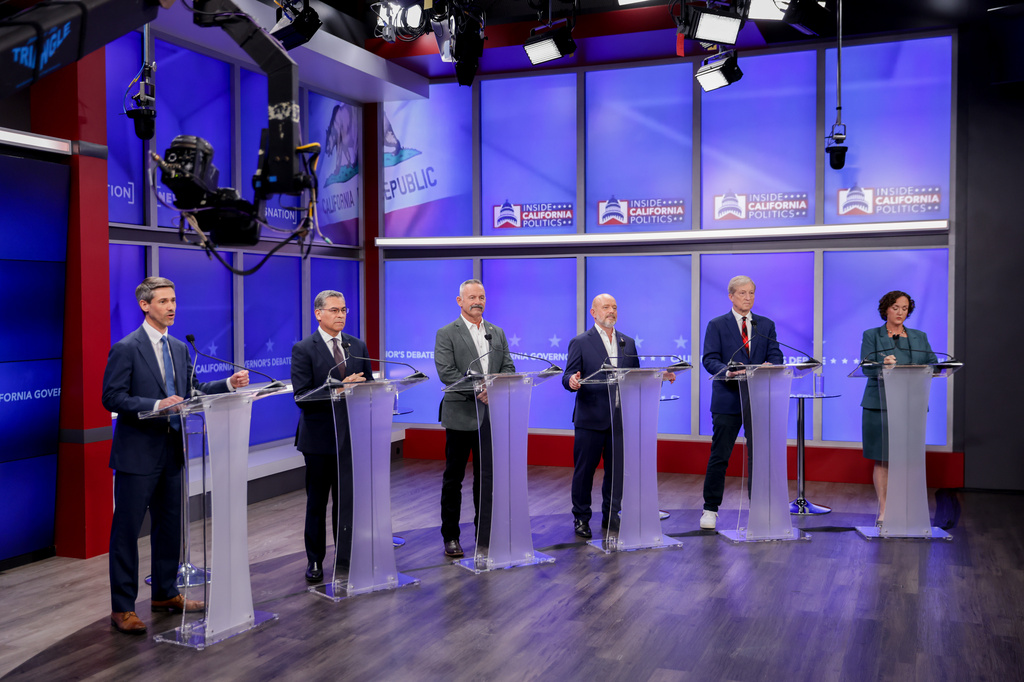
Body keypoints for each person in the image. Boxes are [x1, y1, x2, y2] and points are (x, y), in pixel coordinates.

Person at [102, 277, 249, 635]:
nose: (171, 307)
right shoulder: (126, 348)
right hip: (137, 455)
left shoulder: (179, 348)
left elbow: (191, 391)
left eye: (174, 301)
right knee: (127, 532)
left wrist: (227, 385)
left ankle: (165, 594)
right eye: (163, 301)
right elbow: (112, 397)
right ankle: (123, 607)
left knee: (170, 528)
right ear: (145, 305)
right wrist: (156, 404)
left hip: (172, 450)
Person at [562, 294, 675, 539]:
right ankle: (581, 518)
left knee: (616, 472)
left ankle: (611, 515)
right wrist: (571, 381)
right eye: (606, 307)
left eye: (614, 307)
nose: (611, 311)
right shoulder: (580, 342)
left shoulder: (627, 342)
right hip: (590, 419)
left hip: (621, 419)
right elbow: (568, 375)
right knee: (584, 473)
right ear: (593, 313)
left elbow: (636, 378)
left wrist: (660, 377)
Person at [291, 290, 371, 584]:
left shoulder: (356, 345)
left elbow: (368, 386)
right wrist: (339, 389)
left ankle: (345, 555)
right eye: (335, 310)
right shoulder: (304, 349)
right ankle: (314, 560)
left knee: (346, 501)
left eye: (344, 310)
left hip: (351, 436)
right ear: (319, 314)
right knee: (317, 503)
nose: (341, 315)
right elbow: (302, 397)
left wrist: (363, 389)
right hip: (319, 439)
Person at [434, 279, 515, 558]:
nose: (477, 302)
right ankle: (451, 537)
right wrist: (481, 389)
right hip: (460, 415)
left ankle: (486, 533)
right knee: (453, 480)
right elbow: (447, 373)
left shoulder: (496, 332)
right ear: (460, 301)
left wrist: (495, 388)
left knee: (487, 479)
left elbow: (508, 367)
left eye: (481, 297)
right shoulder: (447, 333)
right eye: (472, 297)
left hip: (490, 417)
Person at [699, 275, 783, 531]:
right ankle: (710, 509)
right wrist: (727, 371)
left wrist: (771, 365)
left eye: (751, 293)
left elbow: (776, 355)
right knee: (720, 455)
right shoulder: (717, 324)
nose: (748, 298)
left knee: (760, 456)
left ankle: (759, 508)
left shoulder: (765, 325)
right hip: (728, 399)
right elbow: (709, 359)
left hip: (758, 399)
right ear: (731, 296)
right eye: (743, 293)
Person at [860, 290, 937, 525]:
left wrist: (931, 368)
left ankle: (906, 507)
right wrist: (882, 365)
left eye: (905, 308)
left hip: (911, 404)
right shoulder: (872, 335)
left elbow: (933, 364)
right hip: (880, 405)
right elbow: (866, 367)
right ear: (885, 309)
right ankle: (884, 510)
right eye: (895, 308)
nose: (900, 312)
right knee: (883, 458)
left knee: (908, 459)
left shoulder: (919, 337)